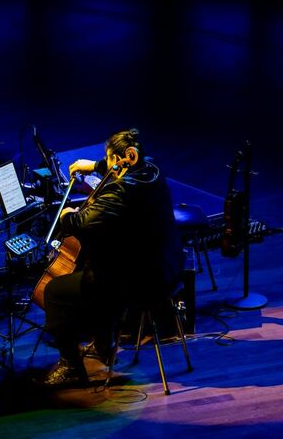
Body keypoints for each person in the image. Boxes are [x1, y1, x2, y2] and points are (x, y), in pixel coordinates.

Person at [38, 128, 183, 388]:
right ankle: (104, 342)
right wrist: (94, 165)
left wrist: (67, 214)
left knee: (54, 291)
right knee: (97, 261)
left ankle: (71, 366)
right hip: (168, 267)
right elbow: (118, 166)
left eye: (111, 160)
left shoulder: (121, 191)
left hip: (143, 283)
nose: (111, 167)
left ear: (127, 156)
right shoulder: (151, 170)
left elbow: (79, 222)